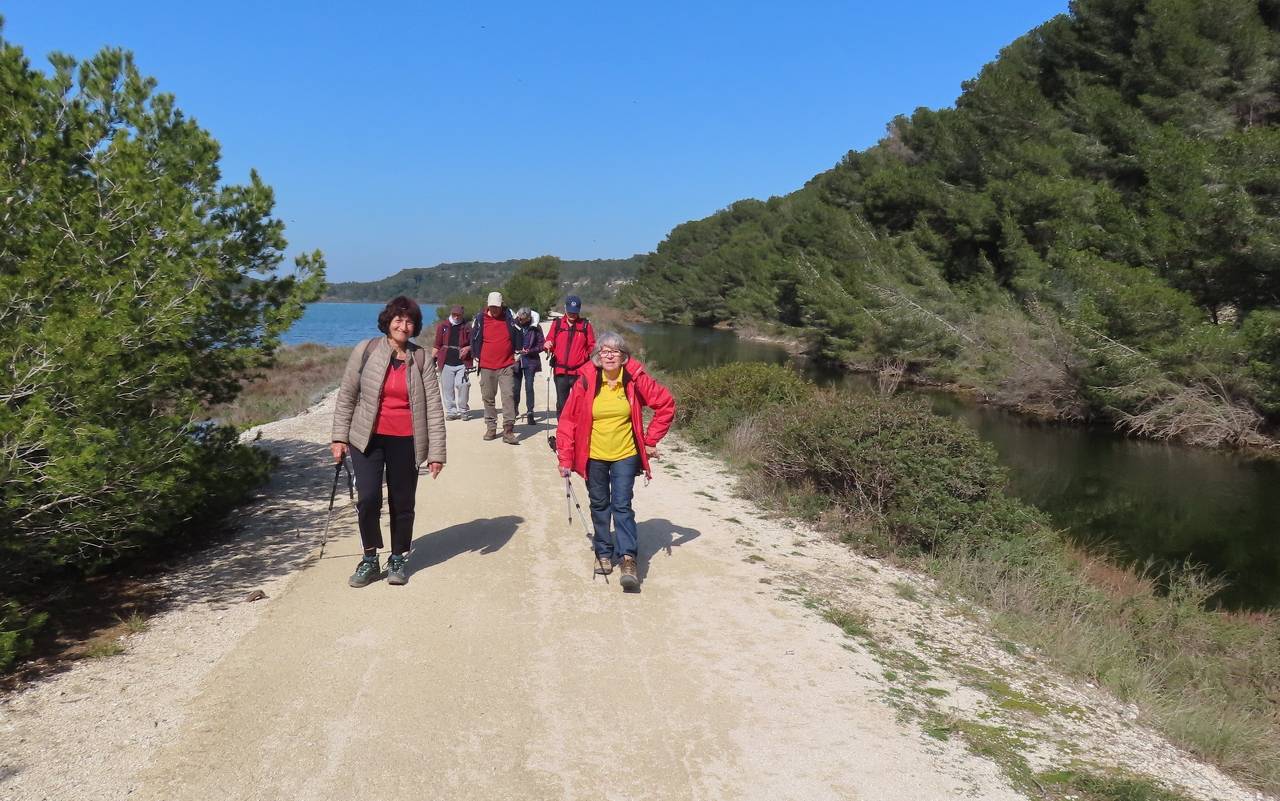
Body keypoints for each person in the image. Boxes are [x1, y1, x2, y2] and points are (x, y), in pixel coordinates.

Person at [331, 296, 447, 588]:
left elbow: (434, 406)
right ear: (388, 321)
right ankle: (370, 558)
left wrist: (437, 453)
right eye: (398, 319)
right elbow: (347, 395)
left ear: (415, 326)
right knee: (368, 499)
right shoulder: (366, 350)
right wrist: (338, 437)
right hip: (366, 438)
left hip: (407, 440)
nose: (403, 325)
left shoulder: (421, 358)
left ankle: (398, 557)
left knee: (403, 502)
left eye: (409, 321)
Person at [555, 332, 675, 591]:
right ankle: (603, 552)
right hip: (594, 456)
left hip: (625, 454)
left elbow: (665, 404)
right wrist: (565, 457)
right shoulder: (586, 381)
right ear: (597, 356)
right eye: (604, 350)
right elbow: (568, 421)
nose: (609, 355)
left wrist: (651, 440)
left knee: (621, 504)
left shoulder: (634, 379)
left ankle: (628, 558)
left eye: (615, 351)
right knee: (599, 505)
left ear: (624, 356)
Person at [470, 291, 521, 444]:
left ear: (501, 305)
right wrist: (475, 355)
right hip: (486, 365)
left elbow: (519, 335)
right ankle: (491, 427)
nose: (494, 309)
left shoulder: (509, 319)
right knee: (488, 398)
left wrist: (517, 353)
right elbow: (474, 338)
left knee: (508, 397)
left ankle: (508, 430)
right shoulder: (480, 319)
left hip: (506, 365)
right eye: (492, 306)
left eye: (497, 307)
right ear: (488, 305)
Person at [544, 295, 595, 415]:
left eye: (575, 312)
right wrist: (547, 344)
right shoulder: (557, 324)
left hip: (579, 372)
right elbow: (549, 339)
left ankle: (576, 431)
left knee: (580, 404)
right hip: (561, 372)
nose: (572, 315)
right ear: (565, 309)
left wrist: (585, 356)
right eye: (570, 312)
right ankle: (562, 431)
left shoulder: (585, 325)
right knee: (562, 404)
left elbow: (592, 345)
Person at [432, 304, 472, 420]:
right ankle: (451, 412)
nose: (456, 317)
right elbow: (437, 344)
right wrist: (432, 359)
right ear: (451, 313)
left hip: (462, 363)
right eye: (454, 314)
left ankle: (463, 410)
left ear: (462, 315)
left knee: (463, 386)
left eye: (458, 315)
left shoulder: (467, 327)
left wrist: (468, 348)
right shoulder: (442, 326)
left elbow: (473, 343)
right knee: (447, 389)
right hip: (446, 362)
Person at [511, 307, 545, 426]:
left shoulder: (536, 327)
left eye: (523, 319)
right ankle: (514, 410)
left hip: (530, 361)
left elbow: (542, 345)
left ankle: (530, 412)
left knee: (529, 387)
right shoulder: (514, 325)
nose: (520, 320)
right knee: (515, 388)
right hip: (516, 360)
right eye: (519, 318)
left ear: (529, 318)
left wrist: (530, 351)